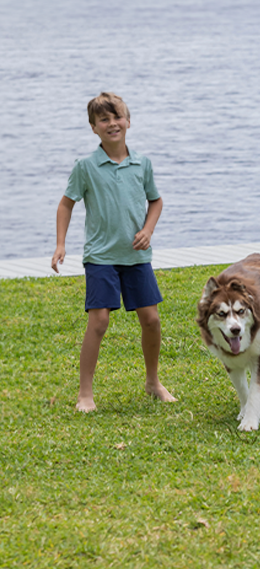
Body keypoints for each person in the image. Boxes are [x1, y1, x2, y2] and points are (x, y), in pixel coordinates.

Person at [51, 92, 176, 412]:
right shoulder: (86, 167)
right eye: (103, 119)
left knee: (151, 319)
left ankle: (153, 382)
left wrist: (148, 231)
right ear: (94, 128)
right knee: (99, 322)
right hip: (101, 257)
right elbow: (66, 204)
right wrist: (61, 244)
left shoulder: (142, 164)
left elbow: (156, 201)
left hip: (136, 258)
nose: (112, 123)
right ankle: (85, 394)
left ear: (128, 121)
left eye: (116, 117)